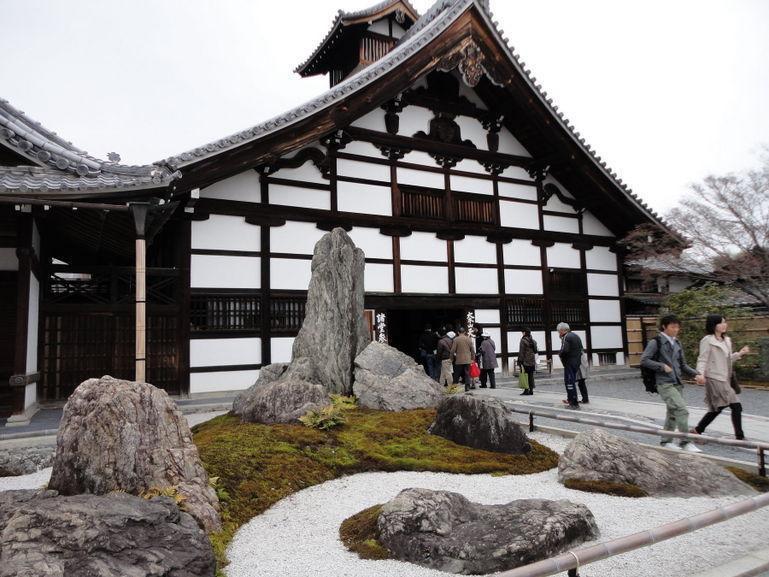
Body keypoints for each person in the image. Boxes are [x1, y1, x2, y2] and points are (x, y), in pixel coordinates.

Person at [640, 314, 705, 452]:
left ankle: (666, 441)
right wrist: (661, 366)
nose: (676, 329)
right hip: (664, 382)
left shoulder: (677, 343)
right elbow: (644, 360)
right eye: (673, 326)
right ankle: (685, 442)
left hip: (677, 382)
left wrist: (697, 374)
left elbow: (683, 365)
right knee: (682, 410)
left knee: (672, 413)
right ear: (664, 326)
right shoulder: (656, 342)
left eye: (677, 327)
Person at [691, 314, 750, 440]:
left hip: (725, 378)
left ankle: (698, 429)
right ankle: (740, 436)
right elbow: (702, 359)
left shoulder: (726, 340)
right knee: (736, 405)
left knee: (718, 407)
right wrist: (699, 374)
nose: (724, 325)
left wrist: (740, 353)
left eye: (725, 322)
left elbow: (727, 360)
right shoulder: (707, 340)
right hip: (714, 377)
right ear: (714, 325)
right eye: (721, 323)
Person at [557, 322, 583, 409]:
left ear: (562, 330)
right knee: (571, 381)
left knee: (569, 383)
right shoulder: (576, 336)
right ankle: (572, 400)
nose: (558, 333)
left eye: (559, 331)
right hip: (576, 362)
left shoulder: (566, 337)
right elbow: (581, 349)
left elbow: (564, 350)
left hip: (569, 363)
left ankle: (573, 403)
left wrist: (560, 354)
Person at [451, 326, 474, 391]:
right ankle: (467, 387)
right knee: (467, 373)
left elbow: (452, 350)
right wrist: (472, 358)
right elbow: (472, 350)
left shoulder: (456, 339)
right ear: (465, 332)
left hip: (459, 360)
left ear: (458, 332)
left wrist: (451, 358)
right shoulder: (469, 339)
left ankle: (454, 388)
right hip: (467, 359)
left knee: (457, 374)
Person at [517, 329, 537, 396]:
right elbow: (535, 351)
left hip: (525, 361)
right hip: (532, 361)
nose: (522, 333)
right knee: (531, 376)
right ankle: (531, 390)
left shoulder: (523, 340)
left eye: (522, 332)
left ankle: (526, 390)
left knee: (525, 376)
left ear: (524, 333)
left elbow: (521, 352)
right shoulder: (533, 341)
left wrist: (519, 361)